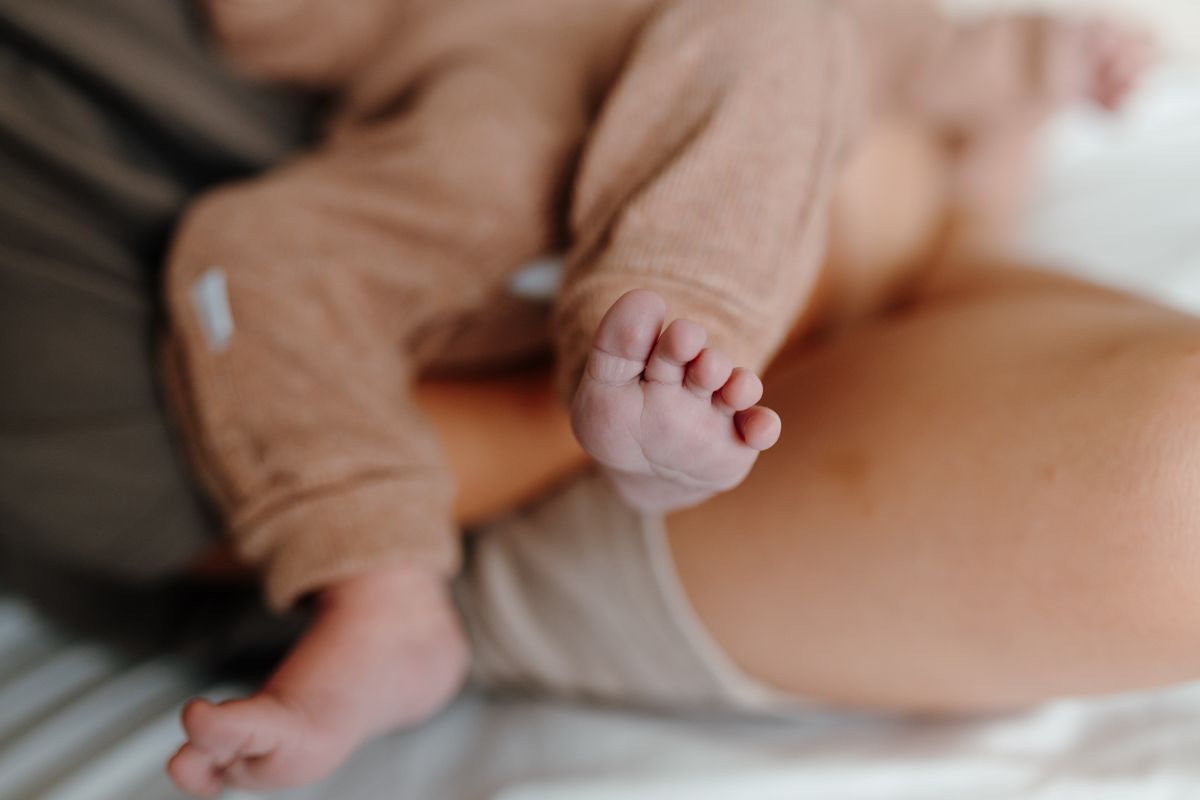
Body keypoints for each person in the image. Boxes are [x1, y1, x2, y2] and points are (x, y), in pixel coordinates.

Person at [163, 15, 1164, 797]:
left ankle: (674, 356)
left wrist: (1056, 58)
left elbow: (938, 54)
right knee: (244, 253)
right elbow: (279, 28)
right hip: (469, 181)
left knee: (775, 24)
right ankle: (378, 588)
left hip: (701, 204)